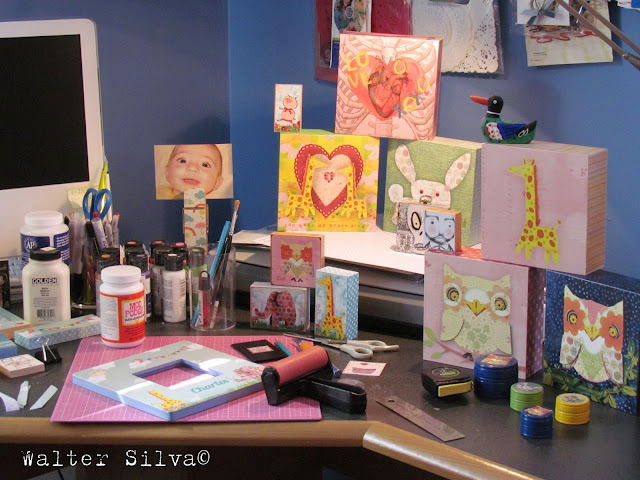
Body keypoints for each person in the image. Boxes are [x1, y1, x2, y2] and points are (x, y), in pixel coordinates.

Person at [157, 144, 224, 199]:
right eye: (182, 161)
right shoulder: (157, 195)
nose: (192, 168)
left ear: (217, 182)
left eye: (205, 165)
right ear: (167, 172)